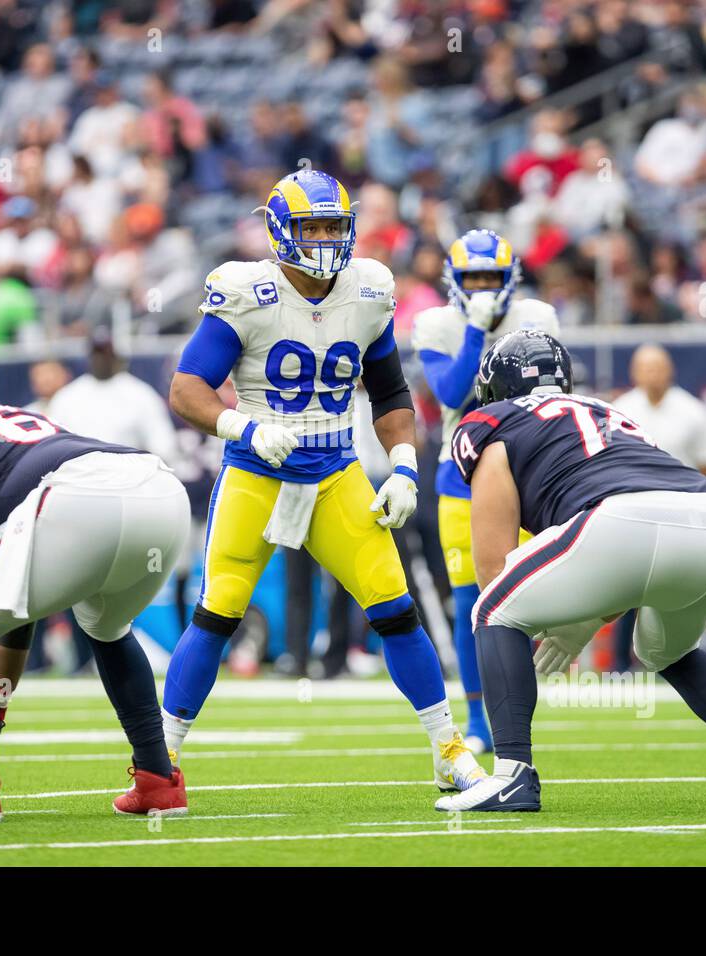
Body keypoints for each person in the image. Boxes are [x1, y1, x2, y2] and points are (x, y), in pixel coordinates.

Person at [163, 169, 486, 791]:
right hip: (258, 471)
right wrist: (244, 427)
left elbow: (390, 393)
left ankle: (449, 750)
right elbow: (186, 389)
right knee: (216, 614)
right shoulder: (245, 290)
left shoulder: (369, 290)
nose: (326, 239)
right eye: (312, 227)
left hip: (337, 469)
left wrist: (405, 470)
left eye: (336, 225)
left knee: (395, 610)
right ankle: (160, 761)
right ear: (281, 229)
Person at [435, 330, 706, 813]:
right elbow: (642, 551)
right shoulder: (610, 410)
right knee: (665, 649)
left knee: (492, 609)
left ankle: (511, 774)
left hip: (621, 521)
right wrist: (584, 621)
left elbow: (494, 567)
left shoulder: (491, 423)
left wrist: (563, 619)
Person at [0, 348, 189, 821]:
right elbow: (16, 603)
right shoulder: (12, 419)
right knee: (107, 627)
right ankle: (158, 779)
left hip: (79, 499)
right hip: (158, 491)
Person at [411, 228, 559, 752]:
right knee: (472, 601)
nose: (480, 289)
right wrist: (475, 332)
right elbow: (450, 392)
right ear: (453, 281)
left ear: (509, 279)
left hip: (526, 474)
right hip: (461, 479)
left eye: (489, 279)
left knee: (522, 600)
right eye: (471, 278)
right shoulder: (439, 324)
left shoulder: (536, 318)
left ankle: (515, 716)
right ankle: (478, 722)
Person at [610, 344, 706, 672]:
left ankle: (667, 660)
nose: (653, 374)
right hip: (632, 507)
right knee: (627, 589)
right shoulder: (619, 409)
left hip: (679, 510)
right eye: (647, 367)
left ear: (670, 370)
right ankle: (620, 663)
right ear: (634, 372)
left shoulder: (692, 410)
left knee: (671, 588)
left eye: (659, 367)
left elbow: (704, 466)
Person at [48, 326, 179, 463]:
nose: (101, 359)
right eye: (97, 353)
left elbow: (163, 447)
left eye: (105, 353)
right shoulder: (67, 397)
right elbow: (53, 448)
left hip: (129, 475)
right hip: (80, 475)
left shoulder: (140, 394)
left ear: (116, 355)